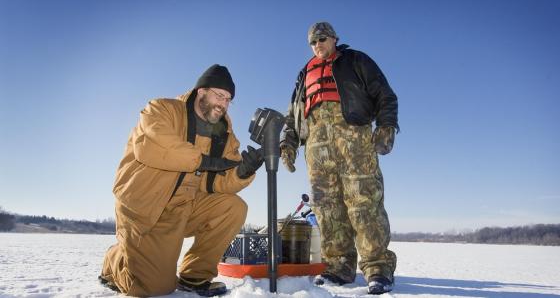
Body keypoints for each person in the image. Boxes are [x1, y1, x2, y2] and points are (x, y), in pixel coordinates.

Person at [99, 64, 264, 297]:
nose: (223, 104)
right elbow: (157, 146)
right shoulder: (161, 110)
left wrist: (243, 172)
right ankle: (115, 260)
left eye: (228, 99)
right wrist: (203, 161)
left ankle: (194, 277)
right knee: (153, 288)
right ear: (201, 92)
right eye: (219, 95)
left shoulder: (224, 135)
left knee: (234, 207)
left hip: (184, 207)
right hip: (146, 209)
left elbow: (216, 183)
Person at [280, 22, 399, 295]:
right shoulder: (304, 73)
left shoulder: (356, 60)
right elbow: (293, 114)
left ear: (334, 38)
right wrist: (288, 143)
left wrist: (386, 127)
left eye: (322, 38)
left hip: (354, 139)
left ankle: (378, 267)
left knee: (364, 200)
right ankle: (339, 266)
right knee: (326, 206)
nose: (318, 44)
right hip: (317, 146)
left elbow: (385, 95)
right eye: (313, 41)